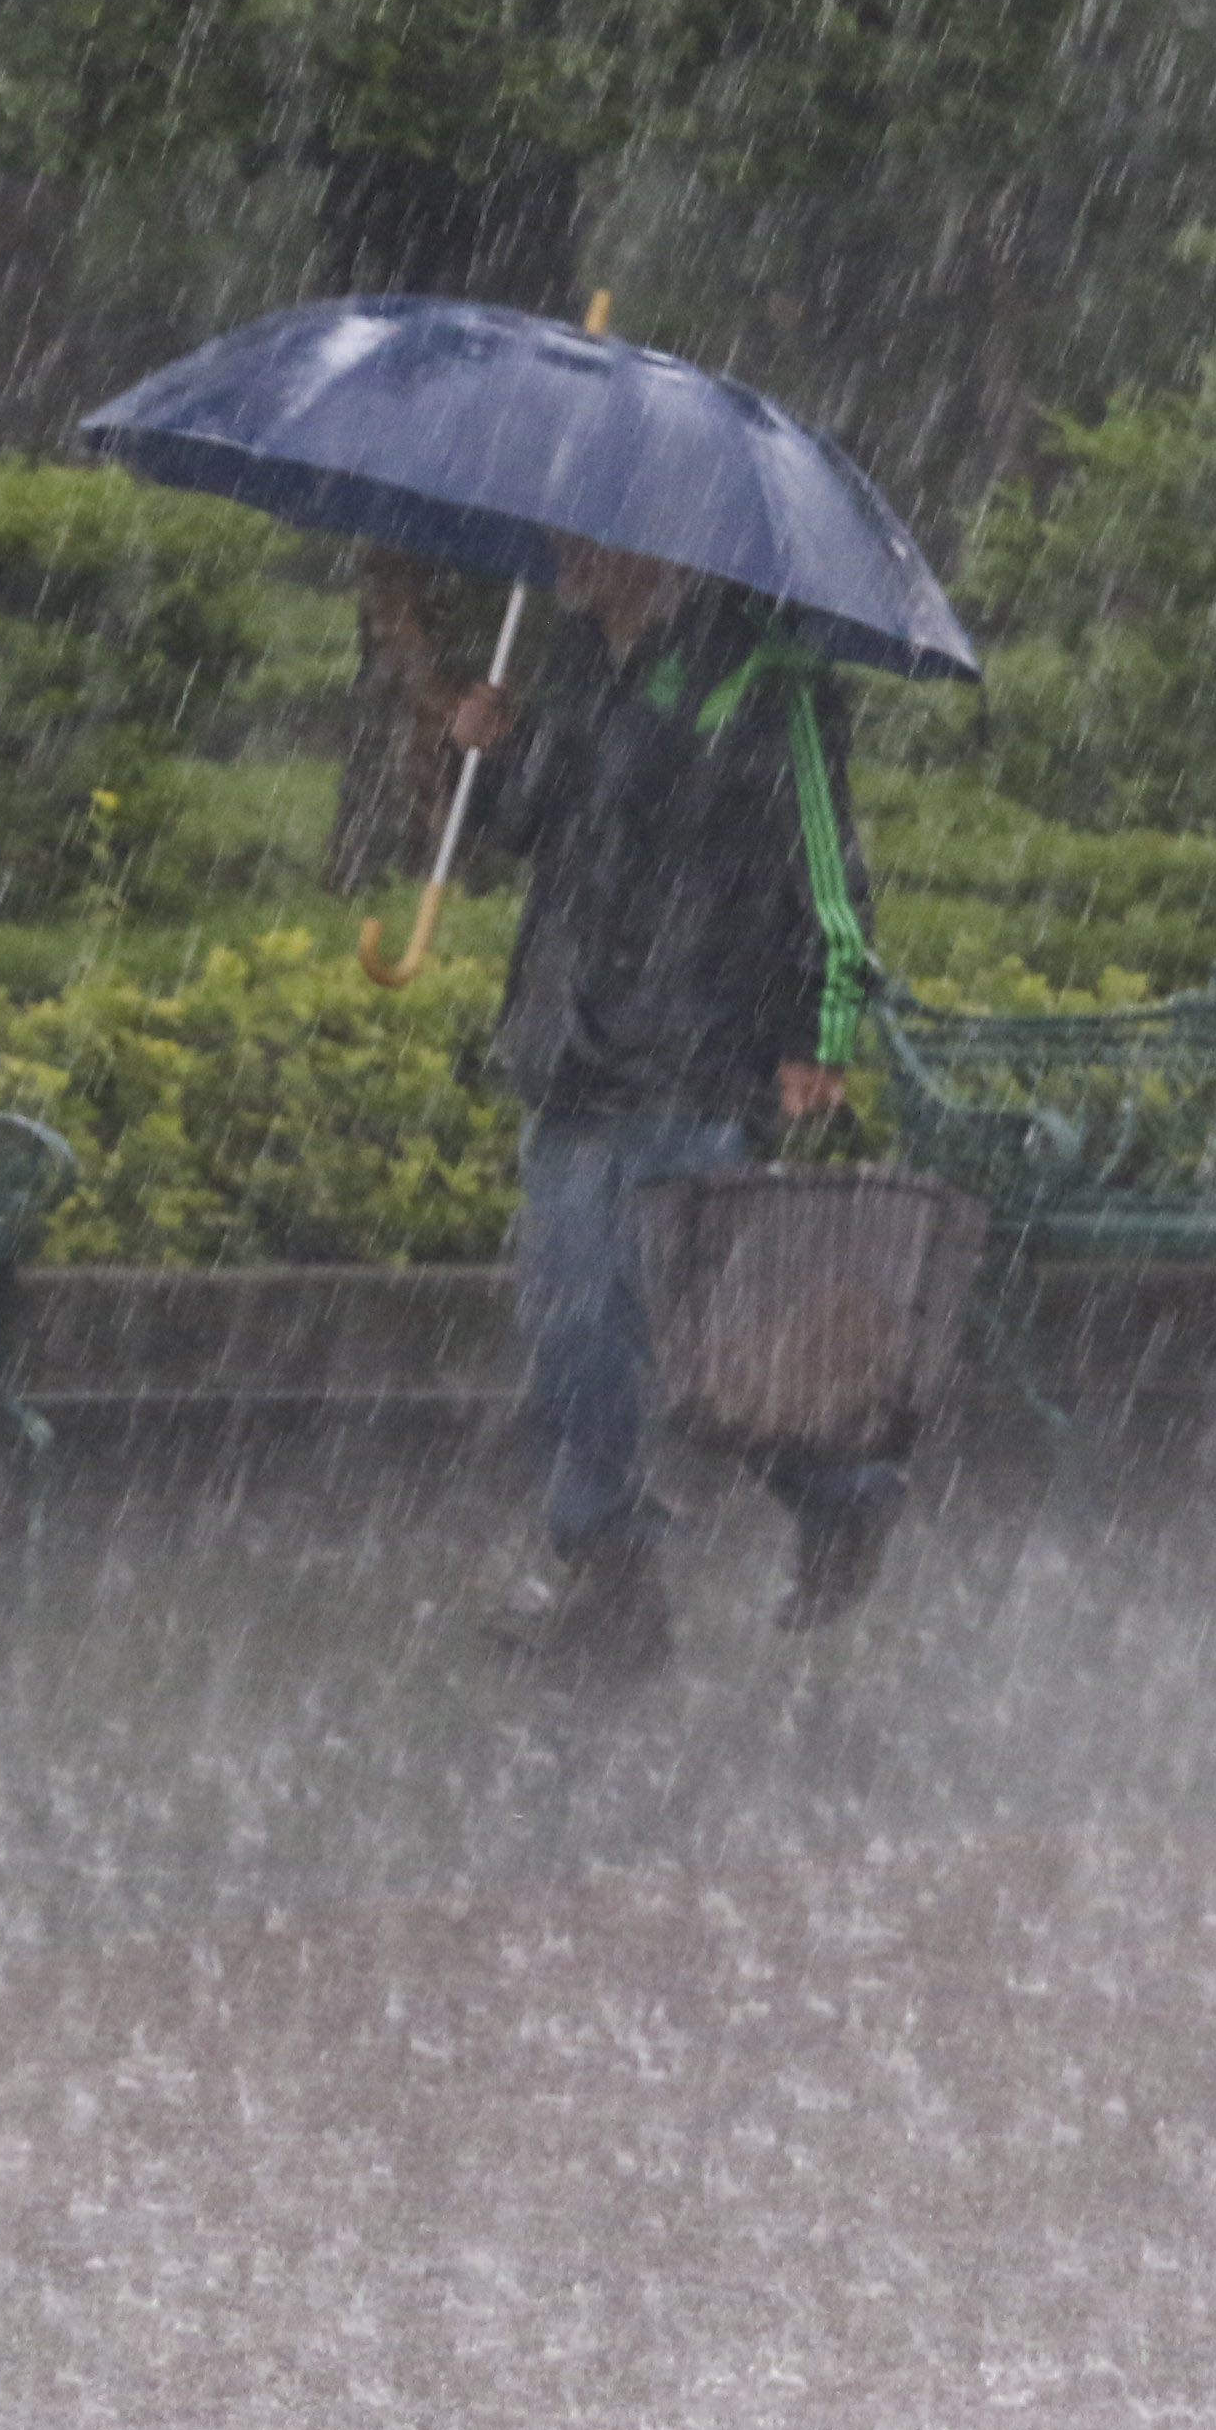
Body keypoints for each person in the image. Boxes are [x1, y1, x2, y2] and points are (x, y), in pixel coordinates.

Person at [435, 529, 896, 1673]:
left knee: (699, 1348)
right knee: (568, 1325)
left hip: (697, 1043)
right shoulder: (580, 659)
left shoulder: (764, 671)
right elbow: (538, 823)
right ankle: (610, 1580)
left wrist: (821, 1030)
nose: (564, 556)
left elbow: (826, 861)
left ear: (655, 539)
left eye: (588, 537)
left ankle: (841, 1488)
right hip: (572, 1042)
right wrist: (487, 753)